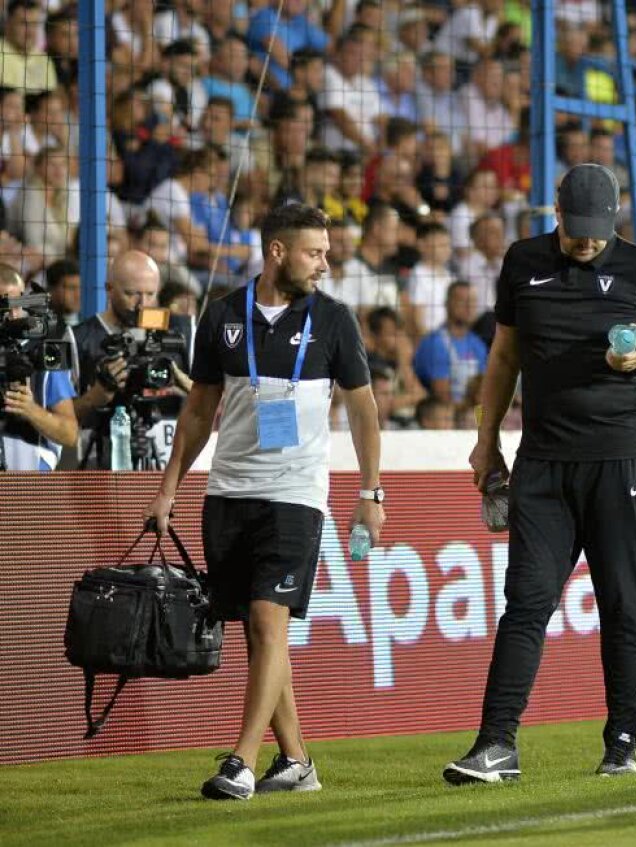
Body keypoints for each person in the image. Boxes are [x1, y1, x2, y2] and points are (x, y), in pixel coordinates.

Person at [444, 164, 636, 784]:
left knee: (621, 604)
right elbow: (504, 355)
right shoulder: (522, 261)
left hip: (620, 461)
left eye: (596, 232)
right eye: (576, 230)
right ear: (556, 211)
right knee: (525, 601)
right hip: (543, 464)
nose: (586, 242)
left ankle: (623, 743)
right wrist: (484, 442)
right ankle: (496, 744)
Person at [143, 204, 384, 800]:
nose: (326, 263)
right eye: (315, 252)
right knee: (256, 634)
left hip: (297, 494)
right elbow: (199, 410)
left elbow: (362, 409)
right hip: (227, 491)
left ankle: (241, 761)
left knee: (266, 620)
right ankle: (297, 760)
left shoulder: (334, 320)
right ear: (277, 252)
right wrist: (171, 486)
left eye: (327, 252)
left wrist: (371, 492)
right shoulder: (223, 314)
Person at [70, 251, 195, 470]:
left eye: (150, 294)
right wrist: (95, 397)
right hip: (101, 458)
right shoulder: (79, 338)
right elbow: (61, 420)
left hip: (172, 458)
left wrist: (183, 385)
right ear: (109, 289)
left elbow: (216, 402)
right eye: (131, 294)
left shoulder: (183, 331)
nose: (142, 304)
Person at [0, 264, 76, 471]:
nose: (11, 314)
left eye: (16, 304)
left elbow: (70, 433)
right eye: (3, 306)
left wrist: (30, 409)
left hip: (30, 479)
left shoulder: (45, 351)